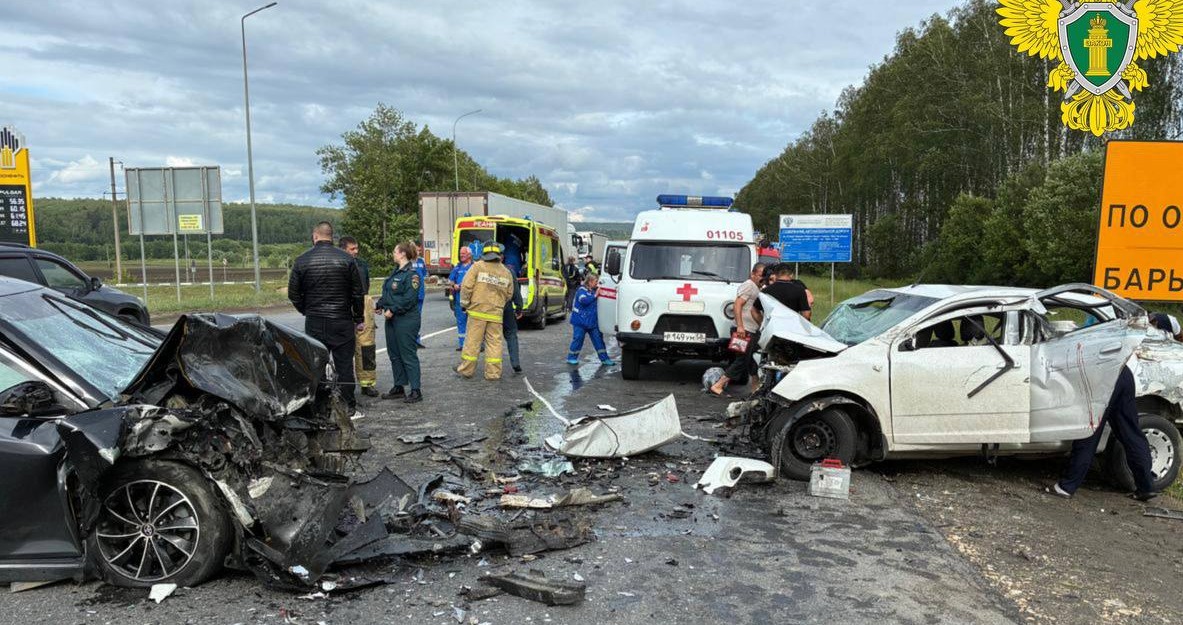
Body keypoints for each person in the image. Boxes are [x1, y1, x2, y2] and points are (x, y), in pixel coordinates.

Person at [1047, 363, 1157, 500]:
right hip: (1122, 371)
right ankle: (1146, 486)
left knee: (1088, 433)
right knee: (1131, 433)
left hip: (1099, 375)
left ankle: (1067, 487)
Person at [288, 221, 365, 414]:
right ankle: (348, 406)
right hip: (342, 319)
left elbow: (293, 294)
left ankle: (321, 407)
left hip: (315, 320)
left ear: (315, 236)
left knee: (316, 365)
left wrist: (306, 309)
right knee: (345, 365)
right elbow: (357, 293)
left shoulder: (302, 260)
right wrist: (358, 317)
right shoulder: (347, 260)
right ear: (332, 236)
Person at [457, 241, 515, 380]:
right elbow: (509, 294)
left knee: (472, 342)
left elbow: (466, 287)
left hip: (477, 312)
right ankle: (493, 373)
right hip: (496, 314)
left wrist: (465, 304)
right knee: (494, 343)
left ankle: (466, 370)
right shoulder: (506, 272)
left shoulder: (477, 267)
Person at [375, 242, 422, 403]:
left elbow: (410, 298)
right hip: (392, 320)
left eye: (395, 251)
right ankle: (399, 386)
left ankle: (416, 390)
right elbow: (389, 293)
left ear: (402, 254)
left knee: (408, 354)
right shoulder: (396, 272)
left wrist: (393, 309)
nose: (393, 254)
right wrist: (380, 304)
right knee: (394, 354)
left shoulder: (412, 275)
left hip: (406, 319)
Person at [709, 263, 765, 397]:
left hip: (750, 330)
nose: (762, 279)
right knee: (741, 360)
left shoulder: (756, 288)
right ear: (753, 274)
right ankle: (718, 385)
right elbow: (737, 304)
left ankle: (755, 386)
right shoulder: (749, 285)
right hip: (743, 331)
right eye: (760, 276)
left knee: (750, 358)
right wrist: (740, 326)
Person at [340, 236, 378, 397]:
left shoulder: (362, 264)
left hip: (363, 304)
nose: (356, 251)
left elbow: (366, 285)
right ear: (343, 249)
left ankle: (367, 383)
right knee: (344, 348)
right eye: (352, 249)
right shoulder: (338, 264)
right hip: (344, 306)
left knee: (366, 347)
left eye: (357, 248)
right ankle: (344, 385)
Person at [567, 273, 615, 366]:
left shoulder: (595, 290)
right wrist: (595, 296)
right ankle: (571, 358)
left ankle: (605, 359)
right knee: (578, 339)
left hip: (593, 322)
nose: (597, 283)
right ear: (590, 281)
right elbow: (584, 301)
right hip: (580, 321)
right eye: (595, 281)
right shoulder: (581, 290)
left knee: (599, 340)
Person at [448, 247, 474, 352]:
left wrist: (464, 285)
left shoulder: (474, 267)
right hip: (459, 299)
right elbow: (450, 280)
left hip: (472, 299)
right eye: (460, 253)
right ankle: (462, 344)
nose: (461, 255)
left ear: (469, 255)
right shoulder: (457, 267)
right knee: (461, 321)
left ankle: (476, 344)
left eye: (463, 253)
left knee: (474, 322)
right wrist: (454, 285)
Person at [502, 275, 525, 374]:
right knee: (511, 334)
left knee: (483, 337)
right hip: (506, 307)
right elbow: (516, 292)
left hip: (486, 308)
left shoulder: (480, 268)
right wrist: (519, 308)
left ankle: (467, 365)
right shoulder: (508, 272)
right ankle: (515, 363)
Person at [413, 244, 428, 348]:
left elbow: (424, 274)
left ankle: (417, 340)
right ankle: (411, 340)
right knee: (411, 318)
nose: (418, 252)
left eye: (419, 250)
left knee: (418, 318)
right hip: (411, 294)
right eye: (416, 250)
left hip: (420, 294)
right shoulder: (408, 262)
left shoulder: (421, 261)